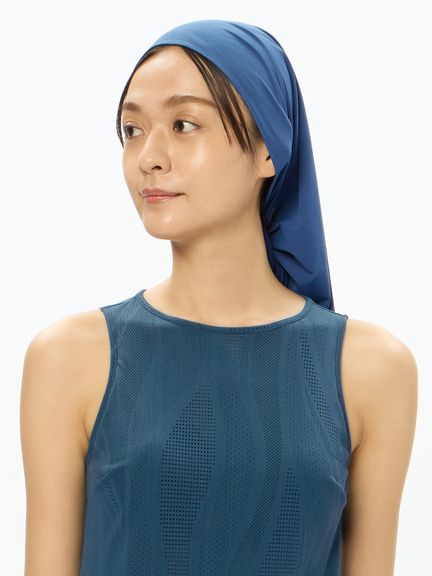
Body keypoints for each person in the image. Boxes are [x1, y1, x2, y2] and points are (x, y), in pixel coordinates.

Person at [20, 19, 417, 576]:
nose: (149, 156)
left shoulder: (371, 369)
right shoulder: (69, 358)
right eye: (132, 129)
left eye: (184, 124)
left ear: (268, 149)